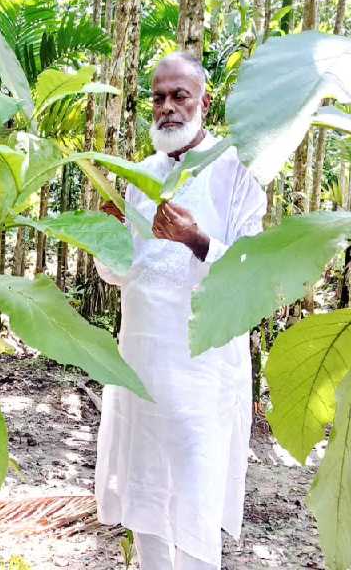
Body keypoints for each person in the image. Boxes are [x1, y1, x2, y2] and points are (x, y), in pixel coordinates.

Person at [93, 52, 267, 570]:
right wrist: (109, 237)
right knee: (145, 487)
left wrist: (195, 241)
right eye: (159, 97)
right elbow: (119, 273)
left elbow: (251, 271)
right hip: (142, 358)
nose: (167, 107)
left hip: (202, 371)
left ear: (203, 102)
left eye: (179, 95)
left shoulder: (238, 170)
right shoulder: (138, 175)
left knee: (195, 488)